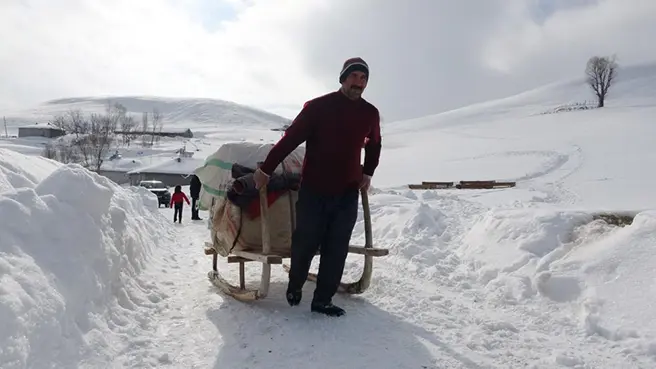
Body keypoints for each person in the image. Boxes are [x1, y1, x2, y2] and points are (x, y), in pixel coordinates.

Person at [253, 57, 382, 317]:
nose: (359, 82)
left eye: (364, 78)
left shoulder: (370, 113)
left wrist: (368, 171)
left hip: (346, 191)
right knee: (306, 242)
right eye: (355, 76)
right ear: (343, 78)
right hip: (314, 189)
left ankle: (322, 299)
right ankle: (295, 285)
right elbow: (290, 140)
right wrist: (266, 169)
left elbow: (374, 144)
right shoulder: (318, 108)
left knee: (337, 247)